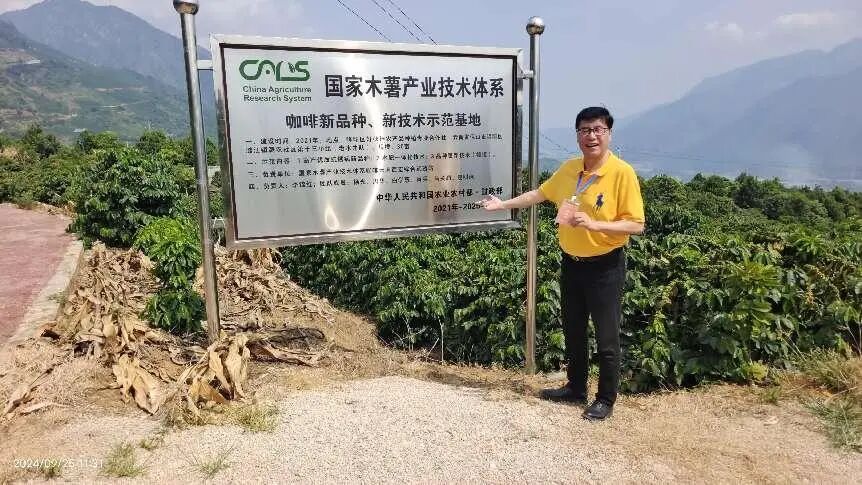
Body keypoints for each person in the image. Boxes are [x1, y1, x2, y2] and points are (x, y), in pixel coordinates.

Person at [481, 106, 645, 421]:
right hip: (571, 263)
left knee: (606, 336)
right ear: (577, 135)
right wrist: (503, 204)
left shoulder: (621, 173)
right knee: (574, 329)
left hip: (605, 266)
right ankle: (575, 388)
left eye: (597, 129)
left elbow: (636, 224)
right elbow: (539, 194)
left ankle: (606, 399)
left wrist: (595, 225)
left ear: (609, 134)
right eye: (584, 130)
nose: (591, 136)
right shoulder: (570, 169)